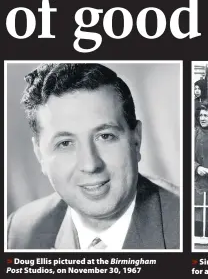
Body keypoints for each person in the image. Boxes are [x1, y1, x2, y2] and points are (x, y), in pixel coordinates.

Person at [6, 63, 180, 250]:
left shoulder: (189, 227)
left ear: (136, 140)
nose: (90, 165)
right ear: (40, 155)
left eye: (105, 136)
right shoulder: (20, 231)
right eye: (65, 143)